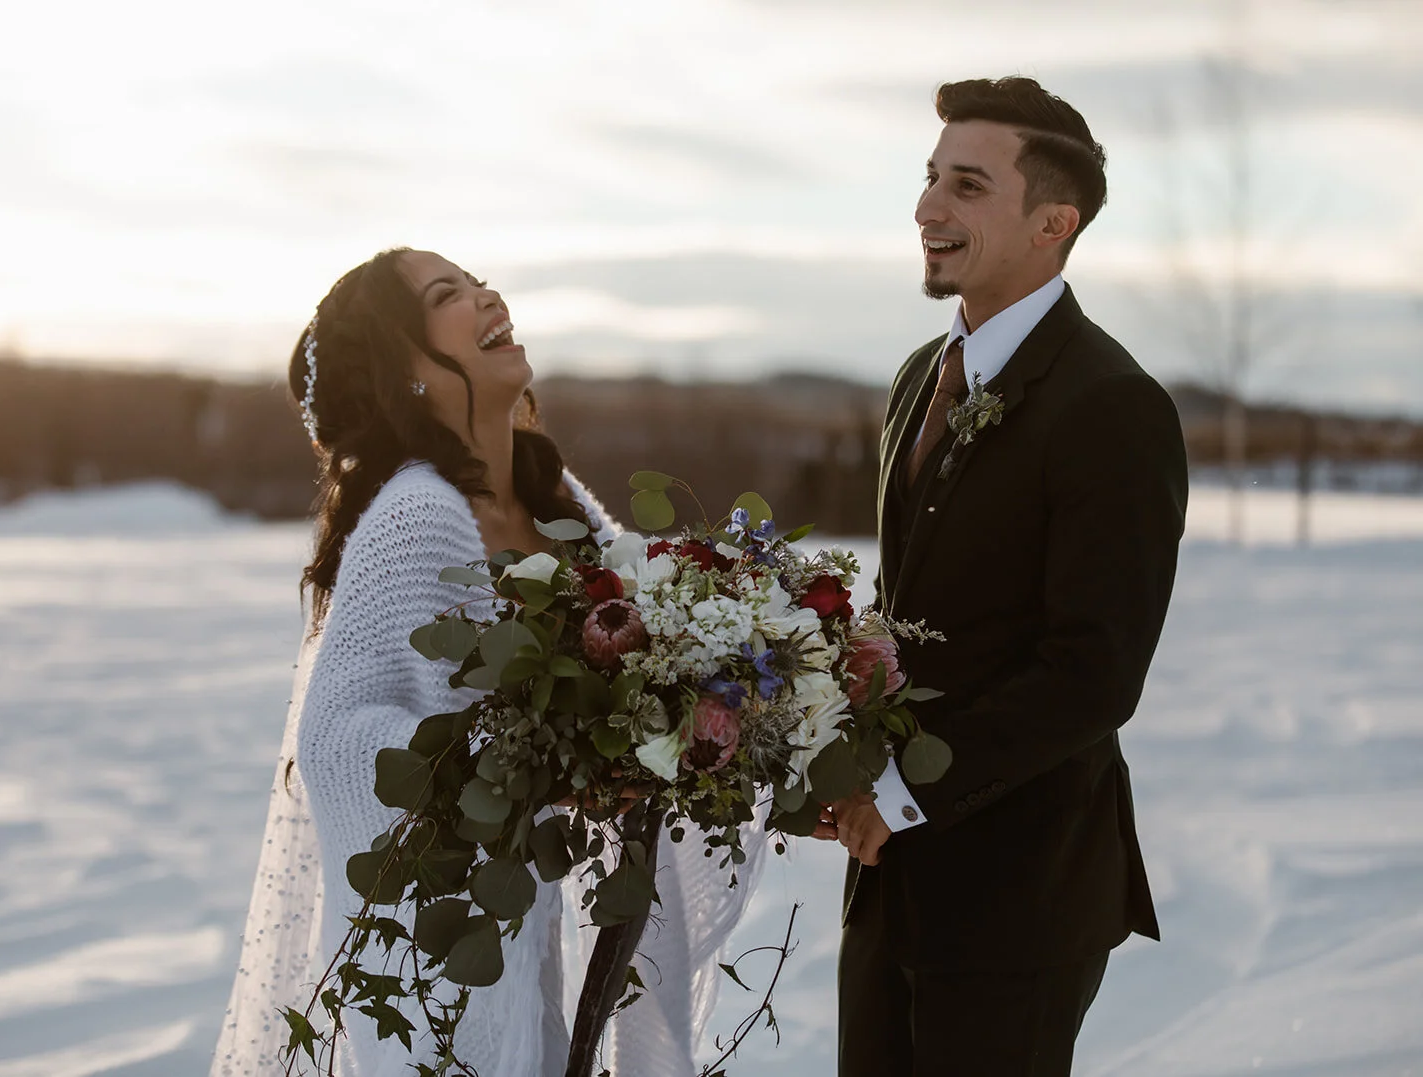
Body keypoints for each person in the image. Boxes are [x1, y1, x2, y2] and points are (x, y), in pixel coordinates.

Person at [210, 249, 757, 1077]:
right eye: (449, 294)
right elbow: (336, 742)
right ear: (406, 368)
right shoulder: (417, 514)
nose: (487, 294)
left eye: (475, 280)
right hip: (443, 960)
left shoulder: (553, 498)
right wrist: (516, 764)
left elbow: (646, 647)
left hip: (533, 924)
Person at [816, 78, 1189, 1076]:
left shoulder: (1113, 405)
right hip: (889, 878)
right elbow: (913, 609)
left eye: (968, 185)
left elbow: (1093, 673)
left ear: (1052, 224)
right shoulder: (916, 377)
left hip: (1019, 889)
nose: (927, 207)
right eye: (931, 176)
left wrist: (901, 791)